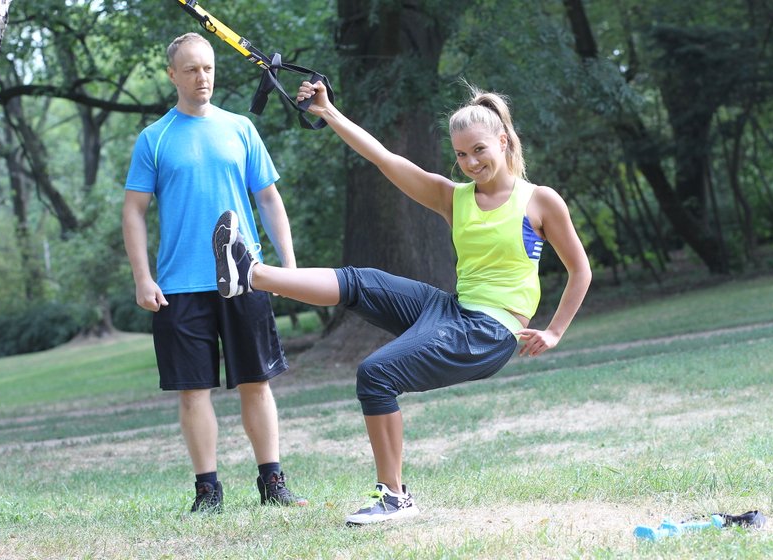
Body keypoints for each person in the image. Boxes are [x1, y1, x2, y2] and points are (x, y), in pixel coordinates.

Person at [212, 80, 592, 525]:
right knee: (361, 281)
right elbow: (384, 158)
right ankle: (251, 275)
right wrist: (329, 112)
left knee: (376, 374)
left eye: (479, 150)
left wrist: (554, 331)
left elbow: (579, 269)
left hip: (491, 331)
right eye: (461, 155)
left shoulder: (539, 200)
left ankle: (394, 498)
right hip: (454, 310)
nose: (470, 163)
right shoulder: (455, 196)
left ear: (504, 141)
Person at [122, 32, 306, 514]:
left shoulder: (240, 128)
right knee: (192, 392)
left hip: (246, 276)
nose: (202, 77)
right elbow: (134, 212)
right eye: (191, 69)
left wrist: (287, 266)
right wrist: (143, 277)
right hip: (179, 285)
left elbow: (268, 198)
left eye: (208, 67)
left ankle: (273, 483)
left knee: (256, 382)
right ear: (172, 75)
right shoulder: (154, 139)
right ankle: (208, 492)